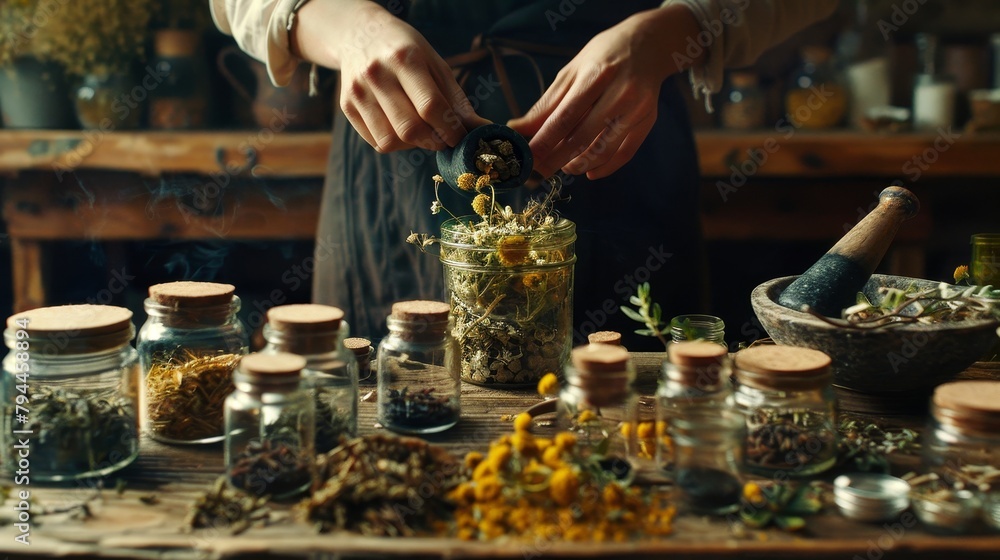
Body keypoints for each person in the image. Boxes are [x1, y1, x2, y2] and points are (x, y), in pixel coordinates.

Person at [211, 0, 838, 348]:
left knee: (629, 417)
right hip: (393, 157)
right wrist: (340, 27)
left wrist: (680, 27)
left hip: (618, 138)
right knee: (397, 404)